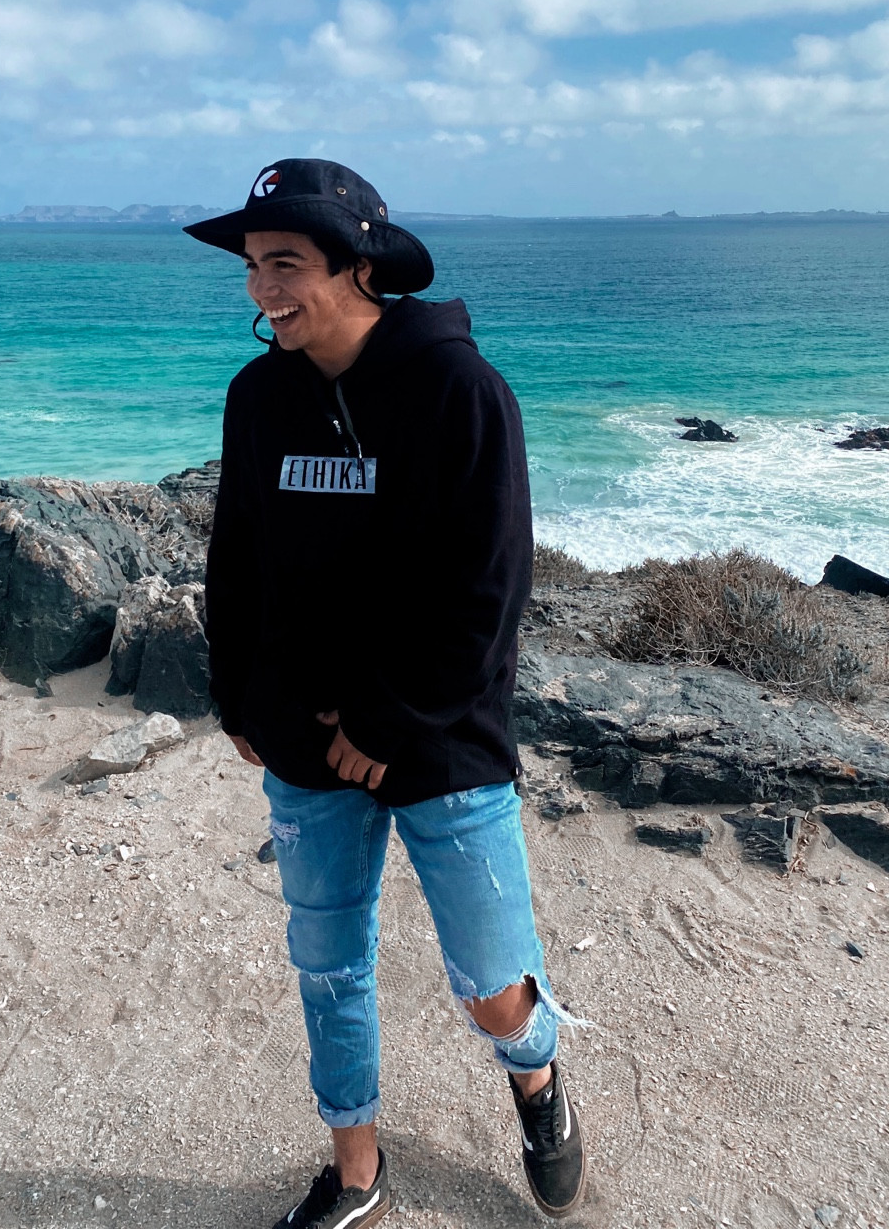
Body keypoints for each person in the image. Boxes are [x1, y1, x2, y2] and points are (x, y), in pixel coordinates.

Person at [185, 159, 587, 1227]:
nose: (263, 288)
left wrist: (388, 720)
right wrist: (235, 696)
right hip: (302, 738)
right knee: (329, 968)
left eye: (286, 263)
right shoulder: (258, 395)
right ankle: (357, 1172)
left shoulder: (462, 392)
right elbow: (237, 554)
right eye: (252, 266)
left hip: (441, 734)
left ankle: (539, 1078)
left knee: (491, 986)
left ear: (359, 267)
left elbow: (490, 590)